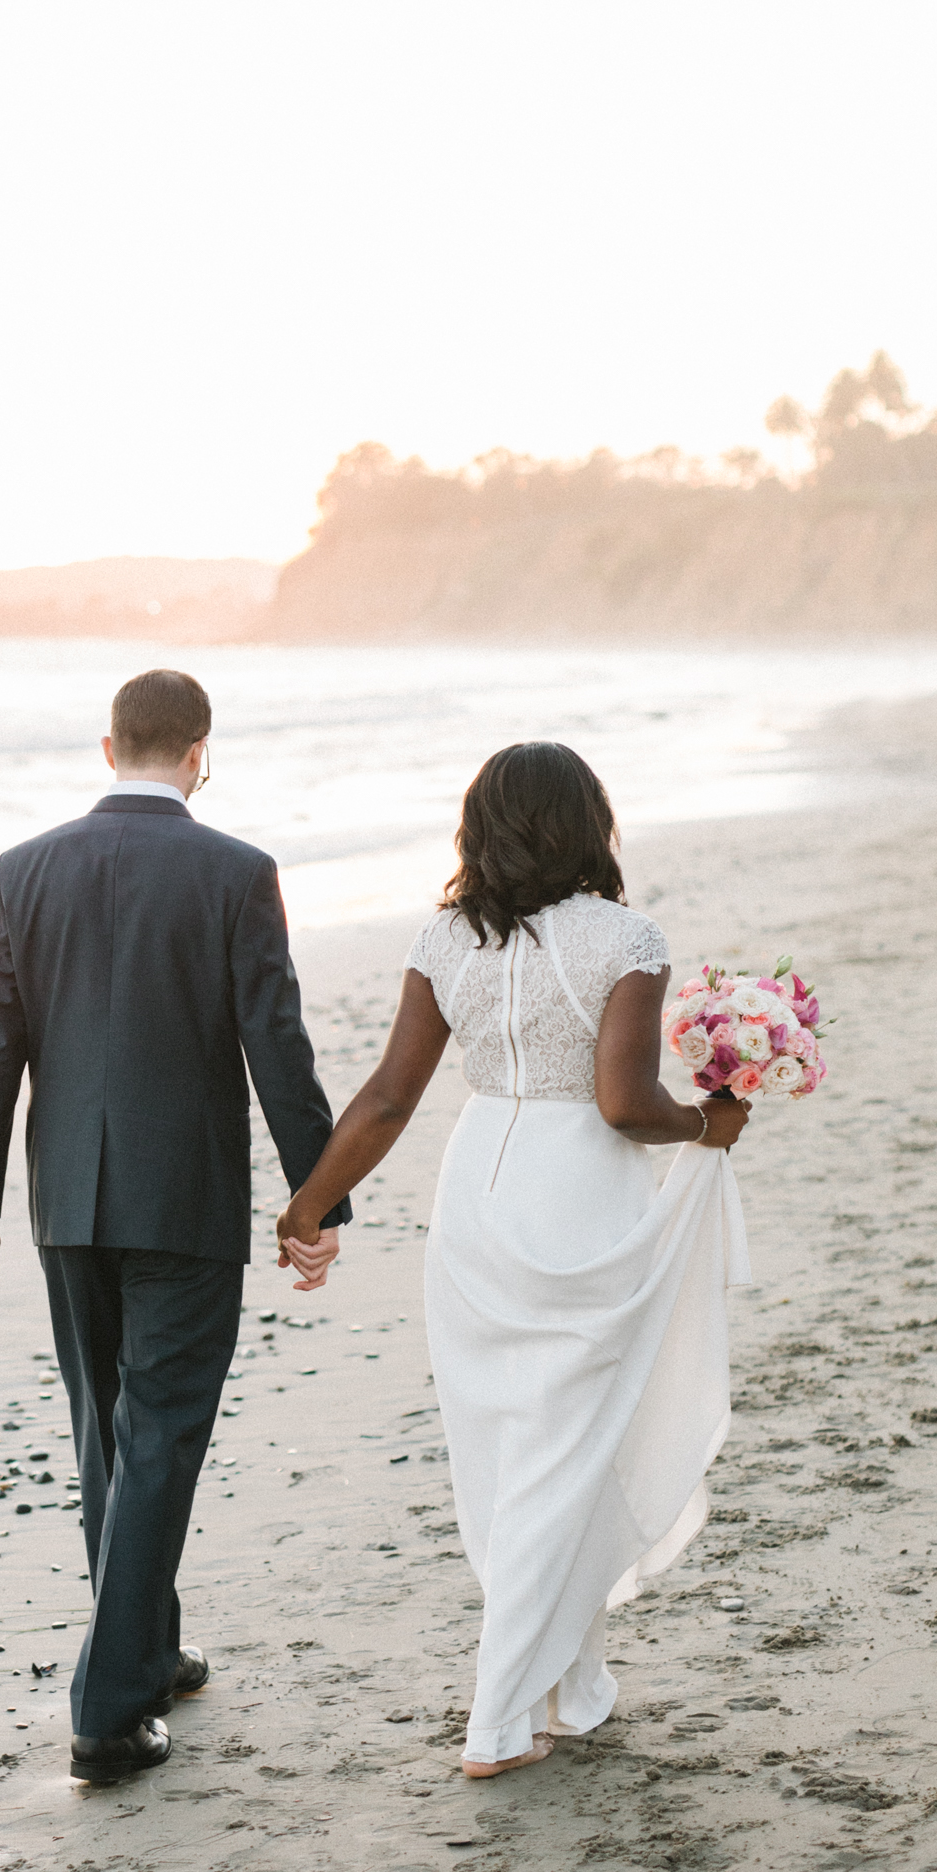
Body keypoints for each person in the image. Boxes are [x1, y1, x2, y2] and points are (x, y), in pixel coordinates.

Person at [275, 740, 751, 1779]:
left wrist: (308, 1203)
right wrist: (705, 1125)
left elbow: (389, 1096)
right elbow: (624, 1105)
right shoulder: (624, 937)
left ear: (480, 825)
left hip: (476, 1196)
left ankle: (566, 1689)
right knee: (568, 1446)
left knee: (504, 1451)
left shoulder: (445, 939)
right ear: (587, 821)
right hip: (574, 1191)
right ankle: (497, 1718)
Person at [0, 667, 348, 1784]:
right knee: (160, 1433)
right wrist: (312, 1198)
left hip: (66, 1199)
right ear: (199, 752)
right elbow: (278, 1046)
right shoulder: (236, 873)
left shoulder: (23, 870)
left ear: (106, 745)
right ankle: (108, 1711)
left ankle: (149, 1648)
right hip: (183, 1197)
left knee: (106, 1433)